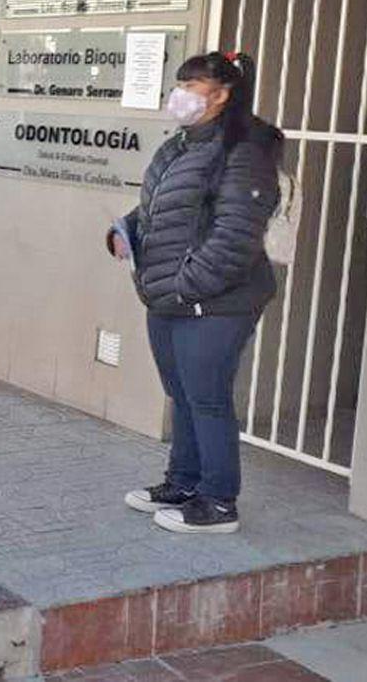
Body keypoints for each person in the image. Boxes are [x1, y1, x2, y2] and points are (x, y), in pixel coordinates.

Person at [113, 52, 280, 535]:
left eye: (194, 84)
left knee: (207, 398)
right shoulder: (181, 145)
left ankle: (218, 501)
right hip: (169, 295)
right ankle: (183, 482)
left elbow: (235, 235)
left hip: (215, 302)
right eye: (180, 82)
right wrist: (125, 228)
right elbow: (162, 206)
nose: (181, 92)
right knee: (182, 394)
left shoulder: (244, 151)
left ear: (222, 94)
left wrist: (187, 286)